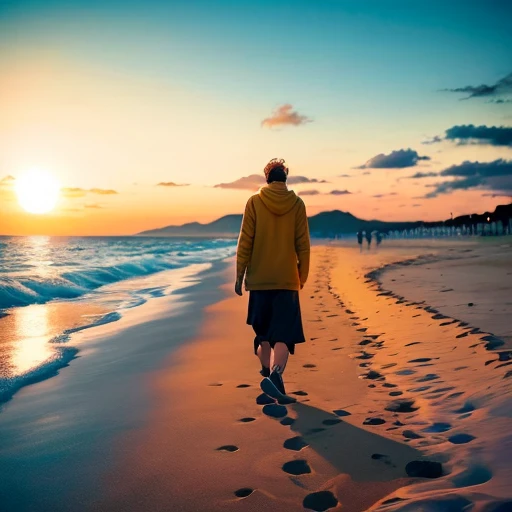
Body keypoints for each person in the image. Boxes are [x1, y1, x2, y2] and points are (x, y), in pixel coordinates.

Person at [235, 158, 310, 401]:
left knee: (263, 335)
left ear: (266, 178)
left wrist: (239, 276)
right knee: (283, 335)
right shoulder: (297, 204)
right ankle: (276, 376)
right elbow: (303, 245)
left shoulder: (255, 202)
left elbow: (245, 240)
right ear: (285, 179)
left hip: (259, 280)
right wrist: (302, 276)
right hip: (286, 280)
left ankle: (267, 372)